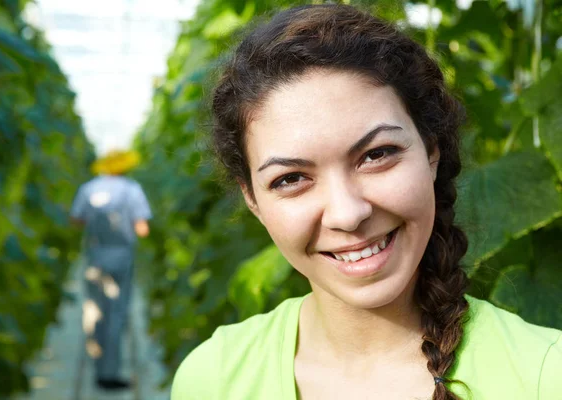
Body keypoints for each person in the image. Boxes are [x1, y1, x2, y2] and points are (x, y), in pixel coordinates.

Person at [171, 4, 562, 400]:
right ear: (252, 199)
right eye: (291, 179)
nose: (347, 213)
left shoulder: (546, 375)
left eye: (376, 155)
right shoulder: (211, 379)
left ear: (431, 151)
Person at [70, 149, 152, 390]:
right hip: (121, 259)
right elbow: (142, 229)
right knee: (116, 315)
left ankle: (97, 367)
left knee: (95, 311)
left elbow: (76, 220)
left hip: (96, 257)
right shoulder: (132, 190)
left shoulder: (87, 189)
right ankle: (109, 373)